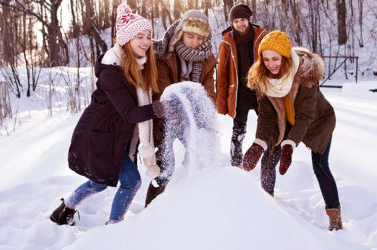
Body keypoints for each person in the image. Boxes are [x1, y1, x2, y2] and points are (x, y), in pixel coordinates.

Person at [50, 4, 165, 225]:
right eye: (139, 37)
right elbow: (130, 113)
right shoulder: (111, 71)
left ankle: (63, 211)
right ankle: (113, 230)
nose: (146, 42)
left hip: (113, 137)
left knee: (99, 182)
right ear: (125, 40)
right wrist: (158, 109)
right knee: (130, 182)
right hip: (98, 136)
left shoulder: (139, 65)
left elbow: (168, 44)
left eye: (148, 37)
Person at [243, 30, 343, 231]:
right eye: (266, 59)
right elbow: (266, 116)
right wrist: (258, 143)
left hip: (317, 122)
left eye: (275, 59)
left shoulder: (305, 76)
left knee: (320, 166)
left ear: (285, 58)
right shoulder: (262, 78)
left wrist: (289, 145)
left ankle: (334, 216)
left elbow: (306, 116)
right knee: (268, 158)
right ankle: (266, 206)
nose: (270, 64)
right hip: (285, 121)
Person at [144, 9, 216, 207]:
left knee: (198, 160)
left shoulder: (208, 60)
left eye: (200, 38)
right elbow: (163, 92)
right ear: (180, 33)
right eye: (190, 36)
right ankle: (150, 212)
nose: (195, 42)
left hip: (191, 118)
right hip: (166, 118)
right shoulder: (165, 56)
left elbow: (208, 93)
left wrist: (206, 121)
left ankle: (190, 208)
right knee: (165, 169)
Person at [215, 3, 268, 168]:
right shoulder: (227, 42)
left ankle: (270, 158)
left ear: (249, 20)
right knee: (238, 129)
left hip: (261, 89)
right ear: (232, 23)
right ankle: (235, 162)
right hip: (240, 91)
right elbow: (222, 74)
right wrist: (221, 103)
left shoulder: (262, 36)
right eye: (236, 21)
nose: (240, 24)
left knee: (268, 124)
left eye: (243, 19)